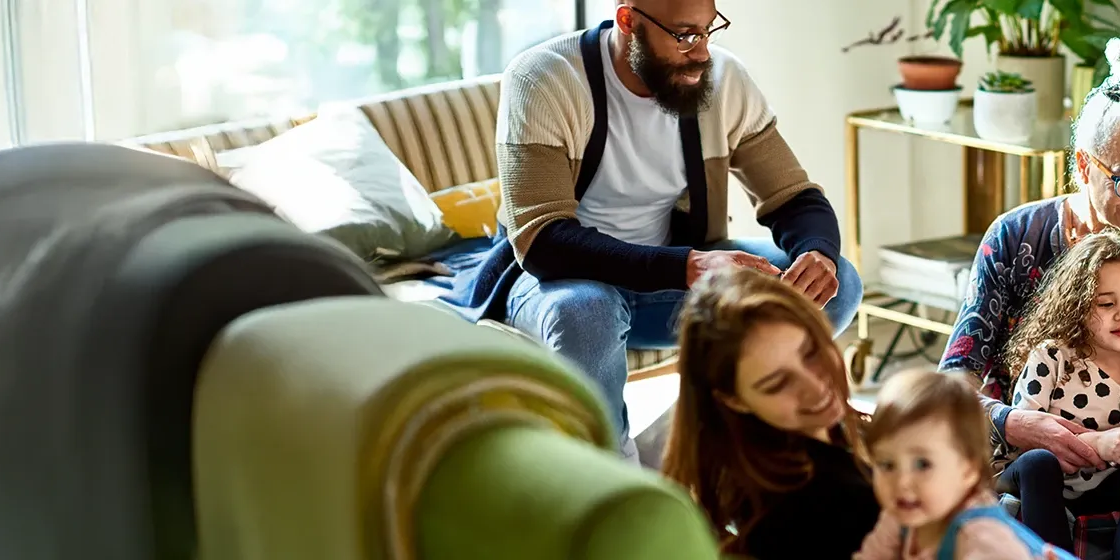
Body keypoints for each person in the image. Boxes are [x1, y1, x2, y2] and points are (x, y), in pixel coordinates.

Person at [441, 0, 862, 460]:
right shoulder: (544, 78)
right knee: (587, 311)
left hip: (671, 278)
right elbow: (542, 240)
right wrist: (687, 265)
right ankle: (614, 479)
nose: (701, 52)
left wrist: (817, 252)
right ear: (628, 22)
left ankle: (682, 443)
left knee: (838, 285)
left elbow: (793, 196)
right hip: (557, 281)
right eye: (684, 36)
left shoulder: (722, 79)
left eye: (707, 30)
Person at [938, 15, 1120, 559]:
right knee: (967, 504)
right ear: (1083, 165)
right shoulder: (1016, 237)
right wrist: (1012, 424)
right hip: (1019, 460)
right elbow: (952, 383)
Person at [662, 267, 879, 560]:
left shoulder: (758, 457)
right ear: (734, 400)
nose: (815, 387)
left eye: (811, 352)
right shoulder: (828, 505)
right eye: (778, 383)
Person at [996, 230, 1120, 559]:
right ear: (1078, 305)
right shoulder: (1053, 357)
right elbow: (1021, 440)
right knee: (1038, 463)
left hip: (1104, 485)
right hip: (1038, 483)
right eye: (1106, 304)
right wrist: (1099, 443)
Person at [853, 371, 1075, 560]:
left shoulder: (981, 541)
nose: (902, 482)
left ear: (967, 471)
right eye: (887, 464)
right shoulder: (903, 510)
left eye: (922, 464)